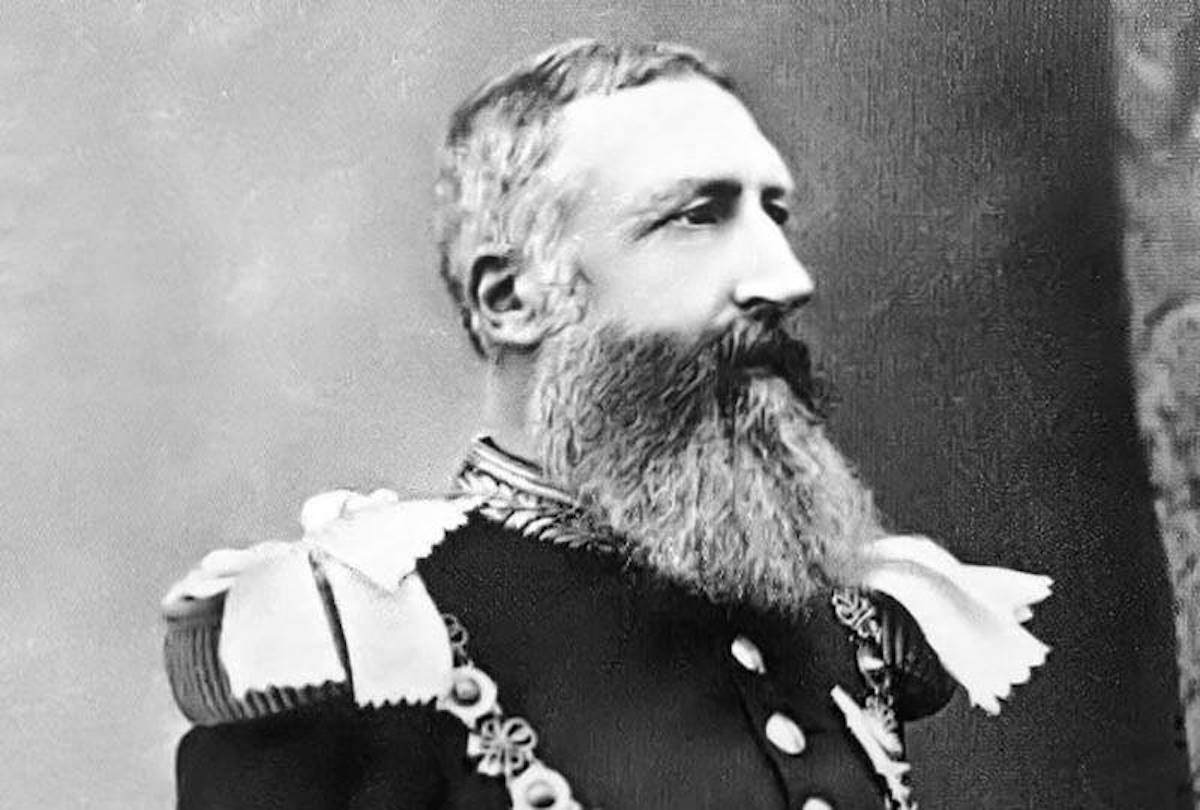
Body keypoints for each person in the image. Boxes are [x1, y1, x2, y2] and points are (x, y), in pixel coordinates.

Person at [161, 40, 1052, 810]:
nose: (787, 279)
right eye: (697, 217)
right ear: (512, 300)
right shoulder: (358, 645)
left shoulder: (843, 619)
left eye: (774, 214)